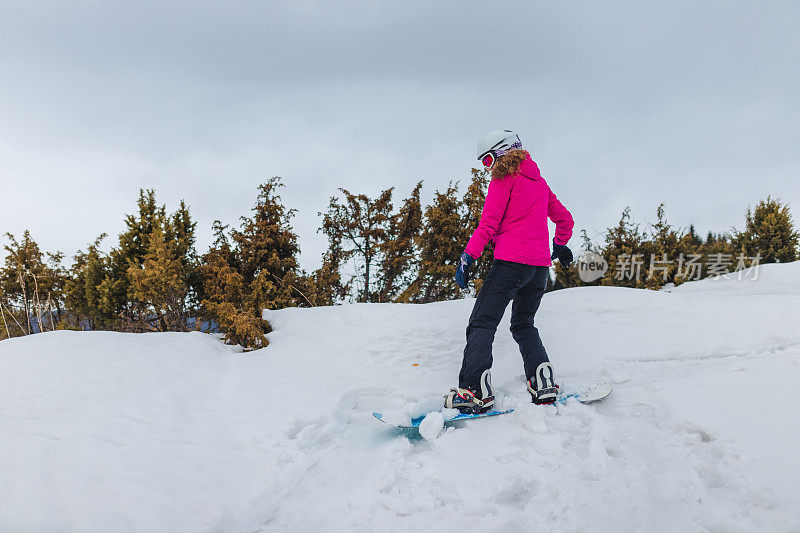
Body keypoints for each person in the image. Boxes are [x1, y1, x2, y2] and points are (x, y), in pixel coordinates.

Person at [444, 130, 574, 414]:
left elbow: (488, 224)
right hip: (538, 270)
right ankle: (543, 383)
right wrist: (560, 245)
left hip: (510, 266)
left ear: (502, 153)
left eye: (488, 160)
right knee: (524, 324)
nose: (487, 169)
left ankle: (474, 391)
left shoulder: (504, 181)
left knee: (482, 323)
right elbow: (565, 219)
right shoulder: (540, 183)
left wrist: (468, 256)